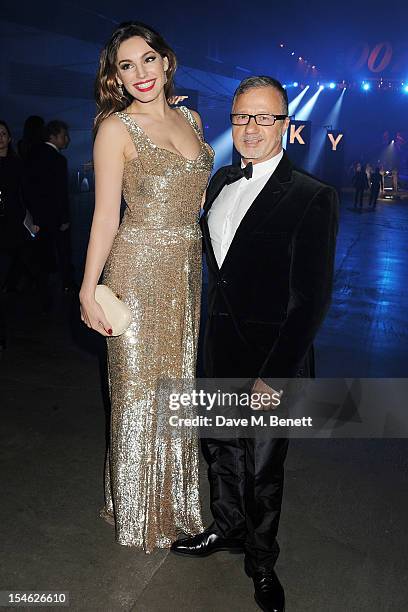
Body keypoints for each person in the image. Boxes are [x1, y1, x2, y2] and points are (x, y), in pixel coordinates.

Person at [171, 76, 339, 612]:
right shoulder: (220, 180)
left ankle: (262, 563)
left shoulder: (314, 197)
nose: (251, 128)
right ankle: (226, 529)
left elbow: (310, 300)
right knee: (219, 450)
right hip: (218, 346)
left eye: (264, 118)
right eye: (242, 116)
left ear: (285, 125)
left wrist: (276, 373)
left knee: (263, 468)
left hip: (271, 360)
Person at [79, 21, 214, 552]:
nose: (141, 73)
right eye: (126, 65)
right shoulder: (115, 129)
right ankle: (137, 510)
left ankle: (176, 503)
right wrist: (89, 289)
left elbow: (199, 200)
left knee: (175, 388)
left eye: (148, 59)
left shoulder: (192, 118)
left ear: (167, 60)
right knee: (135, 393)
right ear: (115, 76)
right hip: (136, 269)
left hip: (185, 269)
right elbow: (105, 216)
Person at [23, 120, 73, 307]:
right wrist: (65, 218)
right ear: (53, 136)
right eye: (64, 135)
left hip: (37, 216)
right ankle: (67, 285)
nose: (67, 139)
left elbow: (28, 188)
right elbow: (60, 192)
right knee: (63, 252)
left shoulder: (31, 155)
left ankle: (42, 291)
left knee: (42, 255)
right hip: (55, 216)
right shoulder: (59, 160)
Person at [0, 120, 36, 349]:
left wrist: (34, 222)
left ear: (10, 137)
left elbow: (28, 194)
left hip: (12, 228)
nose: (0, 137)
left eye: (3, 133)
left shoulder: (17, 164)